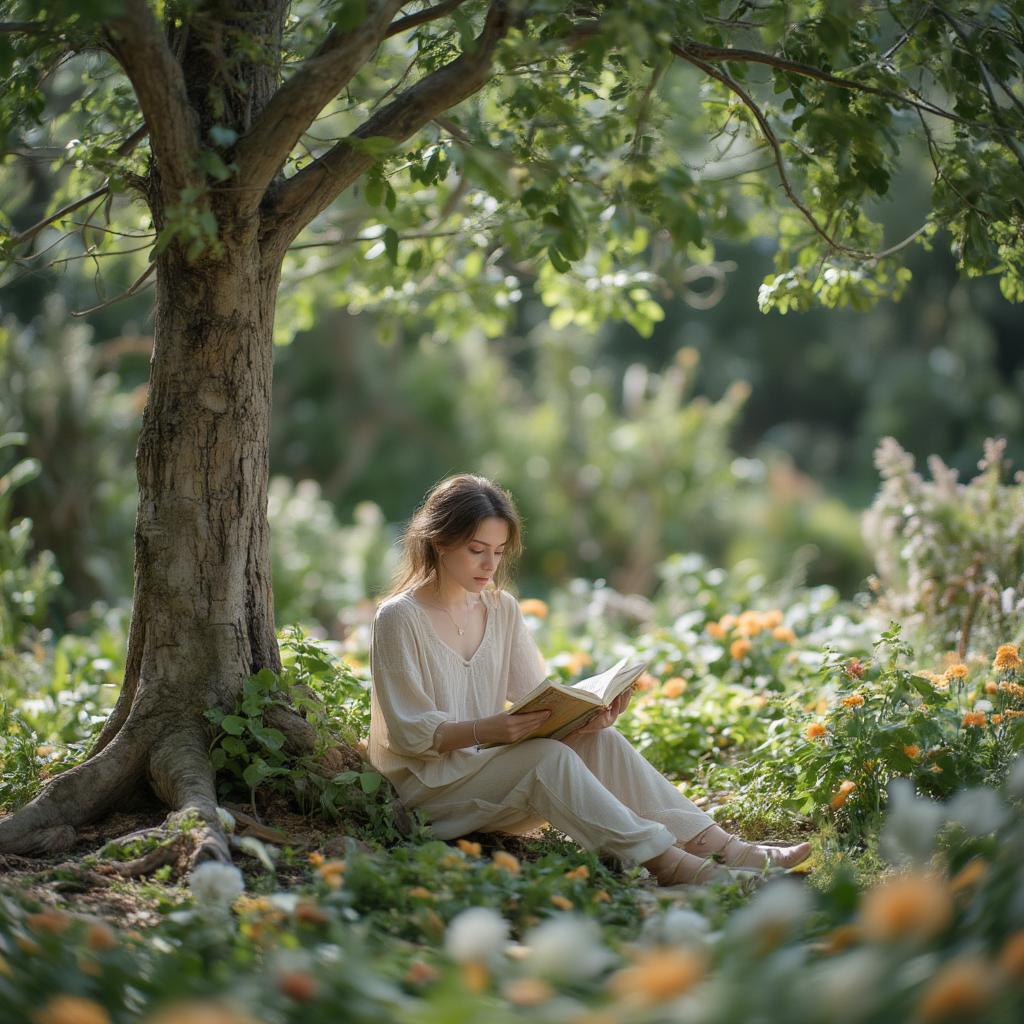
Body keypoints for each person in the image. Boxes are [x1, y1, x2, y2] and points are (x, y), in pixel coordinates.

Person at [367, 474, 811, 885]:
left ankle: (731, 850)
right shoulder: (399, 618)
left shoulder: (501, 610)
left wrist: (582, 719)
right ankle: (672, 866)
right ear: (441, 542)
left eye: (499, 552)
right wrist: (489, 729)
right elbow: (407, 735)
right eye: (476, 549)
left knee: (603, 743)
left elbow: (534, 699)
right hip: (430, 794)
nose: (489, 564)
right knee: (546, 760)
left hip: (489, 779)